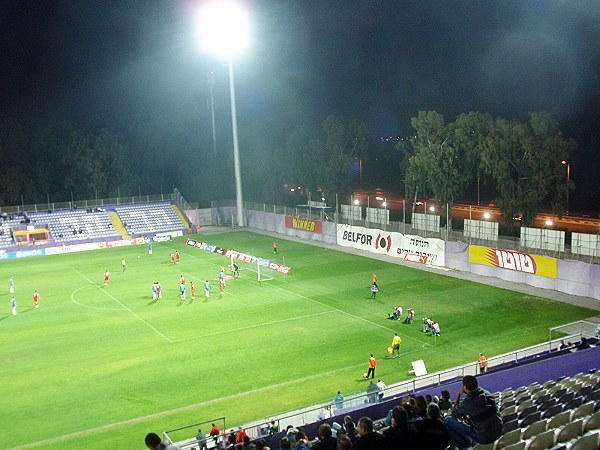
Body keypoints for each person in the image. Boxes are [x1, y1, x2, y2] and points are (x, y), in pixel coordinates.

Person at [443, 375, 502, 449]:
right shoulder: (487, 393)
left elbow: (454, 413)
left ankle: (465, 447)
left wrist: (458, 395)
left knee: (447, 420)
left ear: (464, 387)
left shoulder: (467, 403)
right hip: (499, 430)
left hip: (484, 437)